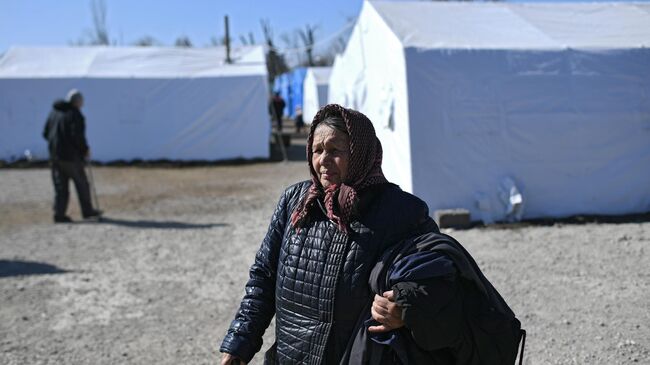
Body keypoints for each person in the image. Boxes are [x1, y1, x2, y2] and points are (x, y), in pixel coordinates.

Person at [220, 104, 522, 364]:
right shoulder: (294, 203)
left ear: (361, 153)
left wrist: (405, 308)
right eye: (317, 150)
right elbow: (264, 276)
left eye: (336, 150)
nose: (324, 160)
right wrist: (239, 343)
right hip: (289, 356)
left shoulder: (400, 210)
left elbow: (442, 277)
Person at [42, 89, 102, 223]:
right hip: (70, 157)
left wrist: (55, 144)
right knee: (82, 184)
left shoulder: (54, 113)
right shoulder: (75, 115)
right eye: (82, 101)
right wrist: (85, 149)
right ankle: (87, 211)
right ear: (77, 102)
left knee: (60, 187)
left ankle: (59, 214)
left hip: (54, 156)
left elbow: (45, 133)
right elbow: (77, 136)